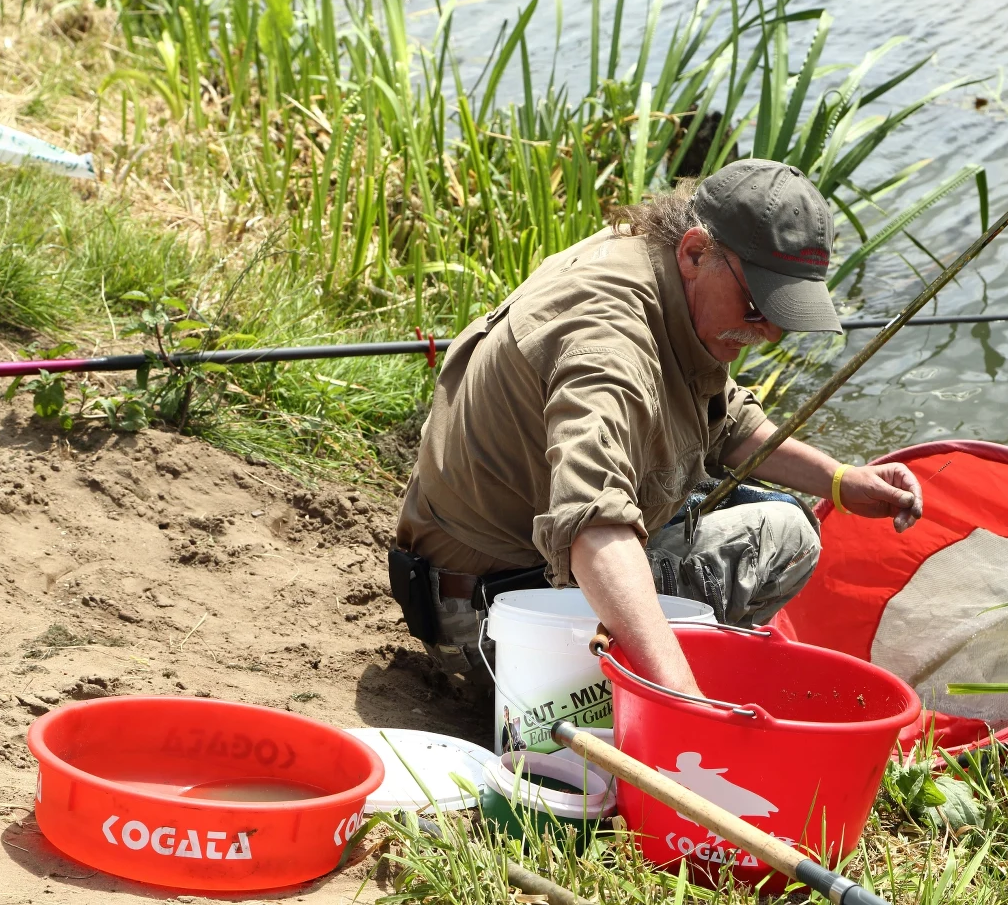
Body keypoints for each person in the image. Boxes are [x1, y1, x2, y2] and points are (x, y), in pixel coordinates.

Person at [390, 159, 923, 701]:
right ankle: (644, 695)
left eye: (785, 316)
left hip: (475, 576)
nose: (769, 334)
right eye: (760, 305)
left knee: (764, 498)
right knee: (785, 536)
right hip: (493, 630)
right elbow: (592, 526)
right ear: (695, 252)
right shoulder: (608, 347)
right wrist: (682, 700)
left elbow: (724, 419)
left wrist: (841, 480)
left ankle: (658, 678)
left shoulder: (652, 264)